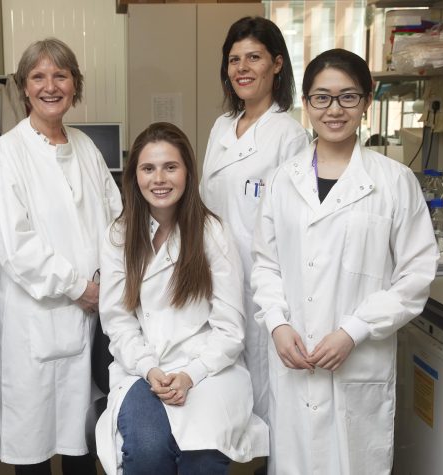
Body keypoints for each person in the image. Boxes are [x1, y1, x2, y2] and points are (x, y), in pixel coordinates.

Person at [251, 49, 439, 475]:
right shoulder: (284, 179)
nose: (334, 110)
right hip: (294, 359)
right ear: (306, 103)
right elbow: (265, 264)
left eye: (348, 97)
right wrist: (278, 325)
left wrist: (353, 331)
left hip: (359, 365)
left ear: (367, 102)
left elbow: (415, 277)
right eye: (322, 98)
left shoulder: (394, 182)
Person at [0, 37, 122, 475]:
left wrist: (110, 281)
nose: (50, 86)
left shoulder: (84, 147)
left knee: (85, 439)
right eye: (38, 76)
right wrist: (79, 287)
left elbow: (116, 219)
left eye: (60, 75)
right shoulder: (7, 153)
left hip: (92, 319)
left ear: (74, 84)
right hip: (36, 321)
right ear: (24, 87)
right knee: (36, 447)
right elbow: (15, 245)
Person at [96, 122, 268, 475]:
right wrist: (149, 368)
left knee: (201, 456)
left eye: (170, 167)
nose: (159, 179)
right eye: (148, 168)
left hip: (208, 369)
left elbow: (230, 327)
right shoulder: (120, 235)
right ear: (135, 176)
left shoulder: (212, 232)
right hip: (143, 367)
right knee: (147, 450)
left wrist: (191, 373)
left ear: (188, 172)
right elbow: (117, 320)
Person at [200, 16, 308, 424]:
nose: (242, 68)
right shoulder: (222, 127)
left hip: (261, 283)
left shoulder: (289, 134)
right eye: (234, 59)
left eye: (254, 57)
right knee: (222, 388)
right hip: (214, 277)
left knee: (266, 390)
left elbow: (289, 226)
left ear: (276, 64)